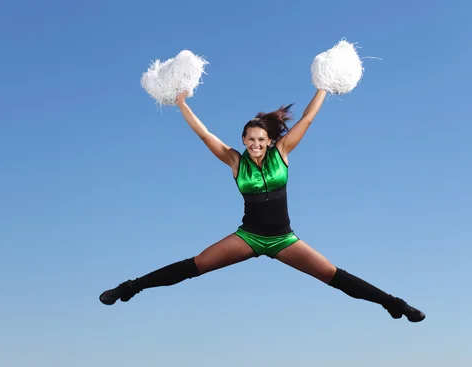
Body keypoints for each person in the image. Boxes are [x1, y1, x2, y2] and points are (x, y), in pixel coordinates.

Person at [99, 88, 425, 322]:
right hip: (249, 236)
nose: (255, 144)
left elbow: (308, 119)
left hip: (284, 238)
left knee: (331, 273)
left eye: (260, 140)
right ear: (243, 141)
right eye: (250, 140)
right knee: (194, 265)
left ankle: (394, 304)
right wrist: (181, 102)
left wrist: (325, 86)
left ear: (268, 141)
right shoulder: (234, 161)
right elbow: (203, 134)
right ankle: (129, 288)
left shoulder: (282, 153)